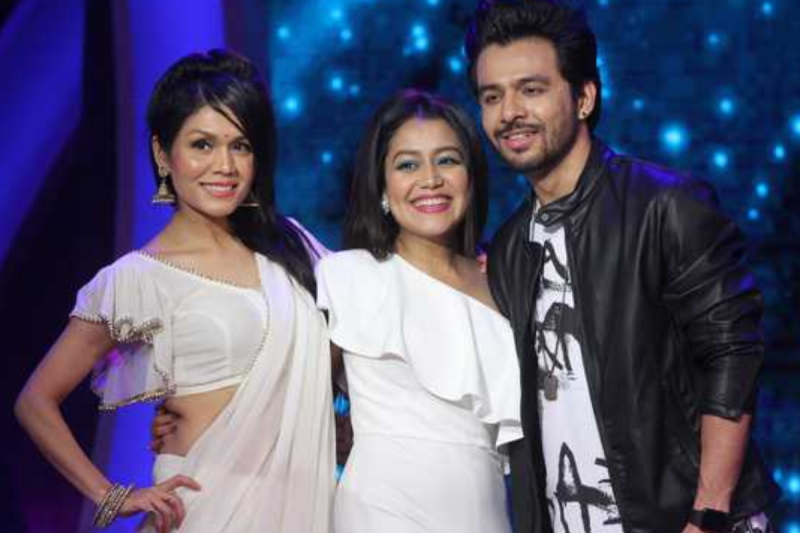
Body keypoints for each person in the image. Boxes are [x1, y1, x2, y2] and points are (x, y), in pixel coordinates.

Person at [463, 2, 781, 533]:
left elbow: (732, 356)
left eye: (531, 89)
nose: (509, 111)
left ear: (584, 97)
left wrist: (707, 515)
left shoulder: (666, 207)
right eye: (492, 96)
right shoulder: (512, 249)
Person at [14, 49, 335, 533]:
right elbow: (35, 401)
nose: (224, 165)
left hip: (302, 509)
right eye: (202, 144)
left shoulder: (293, 246)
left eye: (241, 146)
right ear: (164, 154)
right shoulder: (136, 278)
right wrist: (111, 496)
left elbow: (352, 344)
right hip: (203, 512)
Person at [316, 89, 523, 533]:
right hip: (382, 512)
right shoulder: (349, 276)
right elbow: (294, 402)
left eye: (447, 160)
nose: (430, 179)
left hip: (485, 513)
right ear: (382, 185)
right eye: (407, 165)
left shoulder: (505, 284)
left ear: (471, 176)